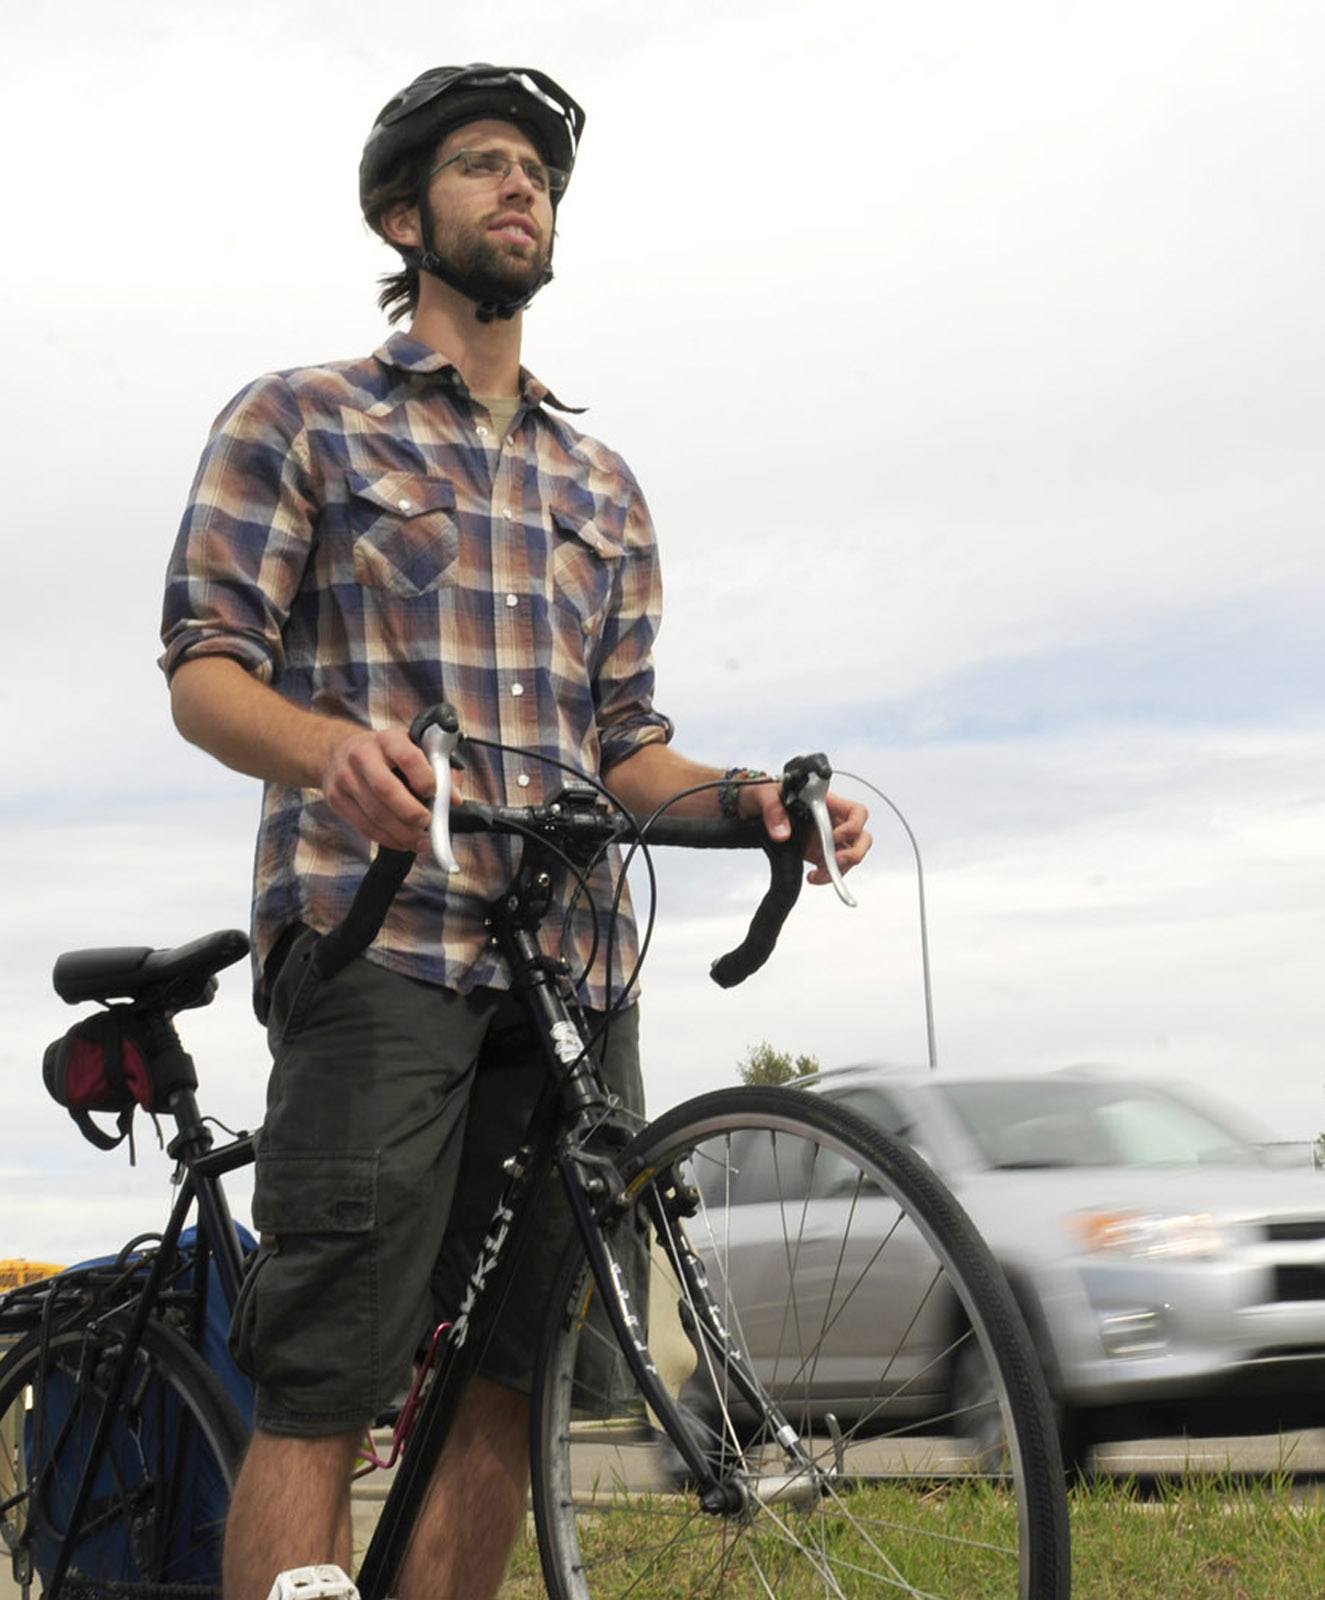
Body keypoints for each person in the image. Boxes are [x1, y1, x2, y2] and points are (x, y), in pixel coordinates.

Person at [161, 64, 871, 1600]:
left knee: (510, 1382)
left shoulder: (597, 482)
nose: (520, 190)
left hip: (572, 964)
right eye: (483, 166)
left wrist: (745, 802)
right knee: (328, 1376)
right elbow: (207, 679)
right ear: (403, 215)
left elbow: (626, 751)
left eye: (537, 173)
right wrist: (330, 752)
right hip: (381, 934)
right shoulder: (303, 420)